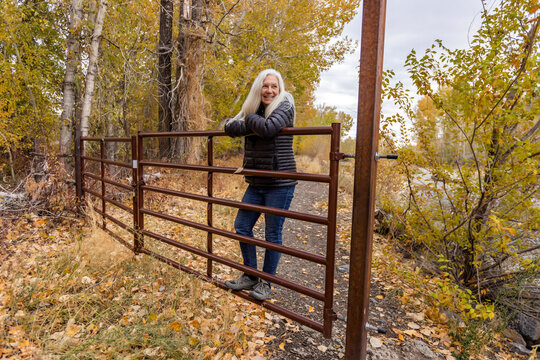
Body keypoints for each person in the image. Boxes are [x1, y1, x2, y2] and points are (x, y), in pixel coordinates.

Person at [223, 69, 297, 301]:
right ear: (259, 88)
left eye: (274, 86)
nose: (270, 90)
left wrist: (248, 119)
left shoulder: (285, 104)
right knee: (242, 225)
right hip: (256, 181)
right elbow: (228, 126)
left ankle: (267, 283)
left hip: (280, 182)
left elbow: (268, 129)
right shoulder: (255, 107)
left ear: (280, 88)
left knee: (272, 233)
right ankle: (251, 274)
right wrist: (251, 119)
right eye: (265, 86)